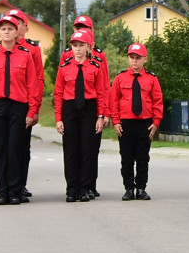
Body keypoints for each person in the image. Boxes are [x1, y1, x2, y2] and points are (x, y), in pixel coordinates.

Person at [0, 15, 42, 205]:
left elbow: (32, 84)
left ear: (17, 33)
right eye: (3, 29)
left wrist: (32, 111)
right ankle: (2, 191)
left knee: (15, 148)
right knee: (0, 149)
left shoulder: (25, 55)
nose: (6, 32)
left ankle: (15, 191)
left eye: (10, 29)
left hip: (18, 105)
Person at [55, 28, 108, 202]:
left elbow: (101, 92)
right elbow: (58, 93)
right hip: (70, 109)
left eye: (81, 45)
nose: (77, 49)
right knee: (70, 151)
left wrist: (101, 115)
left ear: (88, 47)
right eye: (75, 45)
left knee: (87, 149)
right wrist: (58, 118)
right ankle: (72, 188)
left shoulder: (95, 67)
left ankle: (85, 188)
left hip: (88, 108)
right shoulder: (64, 68)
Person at [109, 43, 163, 201]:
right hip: (126, 123)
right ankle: (128, 188)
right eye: (131, 58)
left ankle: (141, 188)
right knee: (126, 158)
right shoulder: (120, 78)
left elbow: (157, 101)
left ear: (145, 59)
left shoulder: (152, 78)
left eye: (138, 58)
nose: (134, 61)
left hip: (145, 123)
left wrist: (156, 121)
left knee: (142, 157)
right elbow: (114, 101)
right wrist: (116, 121)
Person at [4, 8, 43, 199]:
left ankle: (20, 183)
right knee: (6, 146)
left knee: (21, 146)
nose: (15, 26)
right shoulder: (1, 47)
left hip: (24, 104)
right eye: (11, 22)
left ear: (24, 27)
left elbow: (37, 80)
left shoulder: (32, 49)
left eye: (18, 23)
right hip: (5, 104)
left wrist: (34, 108)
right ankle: (9, 185)